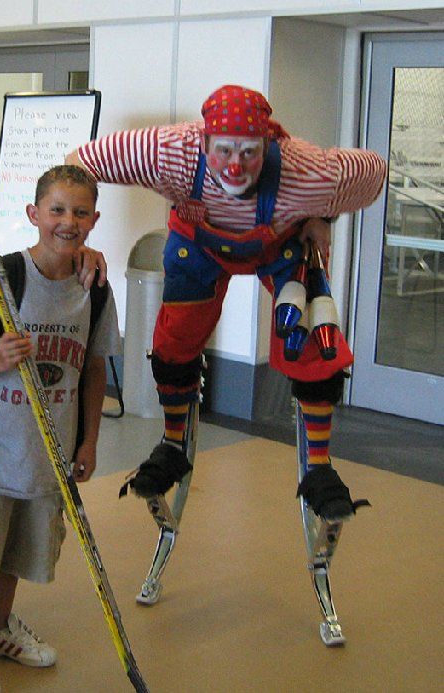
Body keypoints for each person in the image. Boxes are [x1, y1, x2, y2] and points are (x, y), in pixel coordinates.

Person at [67, 84, 387, 519]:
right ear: (203, 143)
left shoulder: (307, 171)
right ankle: (173, 444)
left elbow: (373, 171)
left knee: (311, 338)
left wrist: (322, 213)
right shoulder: (170, 151)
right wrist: (79, 243)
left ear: (267, 146)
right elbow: (79, 162)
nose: (235, 165)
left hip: (280, 246)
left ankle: (319, 467)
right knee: (174, 340)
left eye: (249, 152)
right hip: (198, 247)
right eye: (224, 150)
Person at [0, 165, 121, 693]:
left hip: (48, 453)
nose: (68, 221)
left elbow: (95, 368)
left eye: (80, 212)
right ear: (34, 214)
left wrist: (89, 440)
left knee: (16, 546)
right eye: (57, 210)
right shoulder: (2, 280)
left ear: (94, 220)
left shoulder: (94, 287)